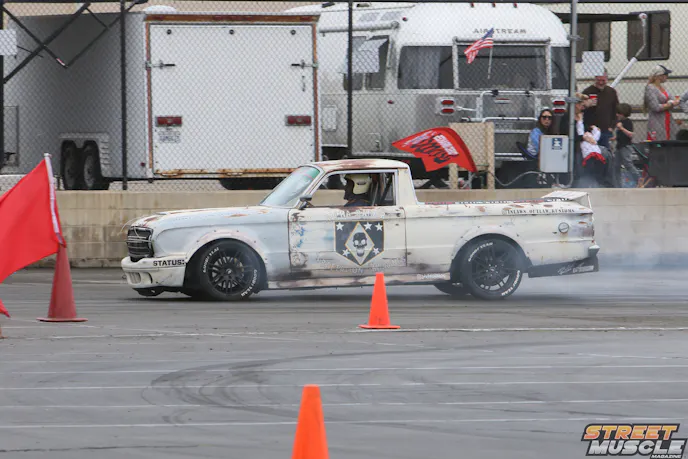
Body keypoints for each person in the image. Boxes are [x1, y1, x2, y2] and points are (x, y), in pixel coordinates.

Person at [582, 70, 619, 149]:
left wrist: (612, 126)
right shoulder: (587, 91)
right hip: (591, 130)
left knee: (606, 152)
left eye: (603, 80)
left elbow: (616, 110)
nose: (601, 83)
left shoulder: (611, 92)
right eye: (599, 80)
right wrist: (587, 104)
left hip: (606, 129)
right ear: (595, 79)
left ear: (607, 79)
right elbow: (580, 110)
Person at [644, 64, 681, 141]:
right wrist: (670, 104)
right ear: (659, 76)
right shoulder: (650, 88)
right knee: (659, 141)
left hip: (667, 119)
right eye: (665, 74)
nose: (667, 76)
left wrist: (673, 103)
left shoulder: (663, 87)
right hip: (657, 121)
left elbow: (672, 100)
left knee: (670, 139)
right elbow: (655, 107)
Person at [614, 102, 641, 186]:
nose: (617, 115)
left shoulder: (627, 122)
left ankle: (639, 179)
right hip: (619, 146)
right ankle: (617, 183)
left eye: (619, 113)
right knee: (616, 165)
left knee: (628, 164)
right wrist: (614, 138)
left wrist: (621, 128)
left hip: (625, 146)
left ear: (623, 114)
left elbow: (630, 134)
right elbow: (621, 135)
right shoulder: (620, 121)